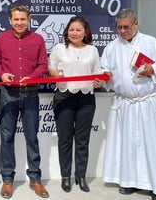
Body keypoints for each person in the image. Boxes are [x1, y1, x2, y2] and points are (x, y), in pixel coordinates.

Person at [100, 8, 156, 200]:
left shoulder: (152, 43)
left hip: (148, 103)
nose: (123, 31)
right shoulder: (111, 47)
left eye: (126, 27)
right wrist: (105, 77)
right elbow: (105, 70)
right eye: (119, 27)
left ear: (136, 24)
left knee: (152, 145)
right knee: (127, 145)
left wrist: (153, 68)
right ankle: (129, 181)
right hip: (125, 104)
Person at [0, 4, 49, 199]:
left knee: (32, 137)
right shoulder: (1, 38)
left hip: (31, 93)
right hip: (8, 93)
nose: (19, 22)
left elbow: (43, 64)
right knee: (7, 137)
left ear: (29, 19)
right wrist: (2, 74)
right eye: (15, 19)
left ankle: (35, 179)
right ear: (9, 20)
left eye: (22, 19)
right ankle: (7, 180)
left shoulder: (38, 39)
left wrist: (32, 77)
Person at [48, 16, 103, 193]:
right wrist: (53, 73)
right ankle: (66, 176)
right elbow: (50, 69)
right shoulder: (58, 49)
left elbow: (97, 73)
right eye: (71, 29)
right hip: (64, 97)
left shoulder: (93, 50)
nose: (74, 33)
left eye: (78, 30)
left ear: (85, 32)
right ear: (67, 31)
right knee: (64, 140)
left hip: (86, 99)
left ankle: (81, 176)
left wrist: (98, 81)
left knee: (82, 140)